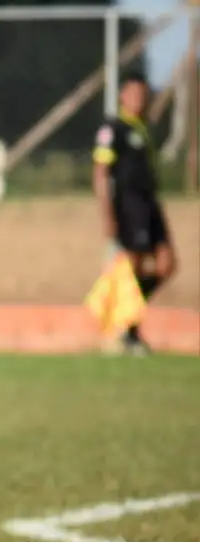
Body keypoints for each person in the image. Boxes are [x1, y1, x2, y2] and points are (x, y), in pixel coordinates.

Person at [93, 73, 177, 355]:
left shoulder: (143, 127)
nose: (140, 100)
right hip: (129, 205)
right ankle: (127, 331)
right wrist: (107, 215)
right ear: (122, 96)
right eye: (134, 94)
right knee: (133, 266)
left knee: (166, 264)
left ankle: (125, 317)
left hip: (150, 202)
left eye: (144, 94)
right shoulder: (113, 128)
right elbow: (101, 172)